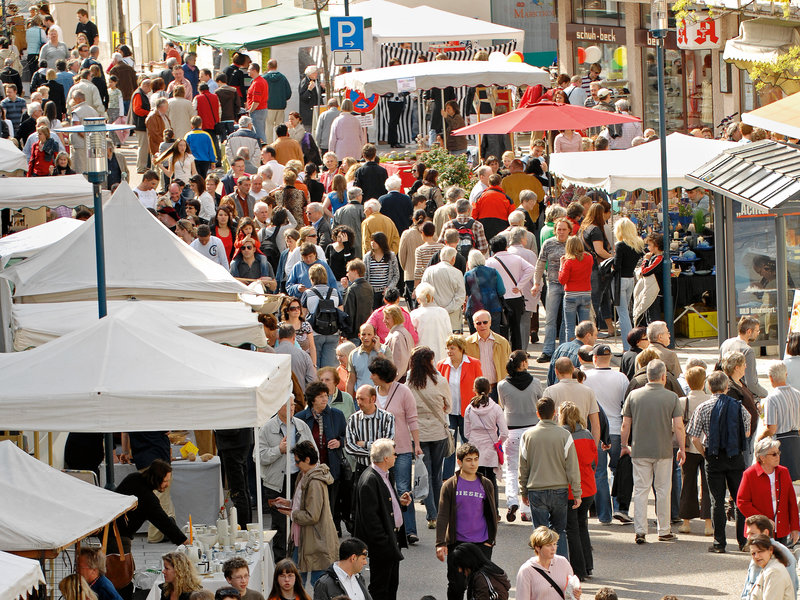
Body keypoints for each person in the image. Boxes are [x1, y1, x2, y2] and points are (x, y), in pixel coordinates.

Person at [686, 370, 751, 553]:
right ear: (726, 386)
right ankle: (743, 540)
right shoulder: (739, 407)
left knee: (717, 500)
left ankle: (719, 543)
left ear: (709, 387)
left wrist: (704, 453)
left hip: (713, 457)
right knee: (739, 500)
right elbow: (746, 432)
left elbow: (695, 437)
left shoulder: (703, 408)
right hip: (735, 457)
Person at [621, 359, 684, 545]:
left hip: (639, 449)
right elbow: (678, 427)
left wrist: (624, 445)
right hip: (663, 449)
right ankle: (664, 529)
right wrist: (681, 448)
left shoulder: (634, 396)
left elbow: (626, 424)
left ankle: (640, 530)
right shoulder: (671, 397)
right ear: (664, 376)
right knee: (663, 489)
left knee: (641, 490)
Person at [519, 397, 582, 557]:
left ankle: (542, 569)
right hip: (559, 488)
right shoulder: (564, 435)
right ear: (554, 413)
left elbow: (523, 466)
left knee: (540, 533)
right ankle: (560, 569)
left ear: (537, 414)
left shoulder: (528, 435)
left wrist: (523, 491)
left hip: (536, 489)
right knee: (559, 532)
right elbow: (572, 466)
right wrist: (576, 492)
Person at [435, 442, 499, 600]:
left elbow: (492, 513)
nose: (473, 463)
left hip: (481, 543)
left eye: (476, 459)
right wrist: (440, 543)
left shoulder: (486, 484)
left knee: (478, 586)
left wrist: (490, 540)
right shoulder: (450, 485)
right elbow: (442, 514)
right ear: (459, 461)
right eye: (469, 460)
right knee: (457, 585)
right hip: (458, 544)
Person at [368, 357, 421, 541]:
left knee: (403, 488)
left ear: (381, 375)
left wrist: (417, 445)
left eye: (373, 373)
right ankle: (391, 528)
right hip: (381, 452)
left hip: (402, 448)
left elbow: (413, 419)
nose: (371, 376)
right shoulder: (372, 392)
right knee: (383, 489)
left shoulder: (403, 391)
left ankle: (410, 530)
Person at [353, 438, 411, 600]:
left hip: (391, 543)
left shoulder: (385, 475)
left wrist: (400, 503)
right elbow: (370, 519)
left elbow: (384, 503)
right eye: (394, 454)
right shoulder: (369, 480)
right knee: (380, 589)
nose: (396, 456)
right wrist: (385, 544)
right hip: (383, 547)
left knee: (391, 587)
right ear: (386, 458)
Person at [258, 398, 314, 561]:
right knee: (280, 524)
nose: (292, 407)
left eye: (293, 404)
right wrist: (278, 450)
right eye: (287, 404)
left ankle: (298, 558)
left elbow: (313, 451)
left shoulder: (301, 425)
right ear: (277, 407)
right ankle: (281, 563)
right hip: (276, 482)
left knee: (301, 520)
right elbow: (258, 456)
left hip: (299, 479)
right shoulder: (267, 428)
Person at [278, 441, 338, 585]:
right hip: (305, 539)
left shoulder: (315, 481)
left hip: (315, 542)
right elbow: (304, 502)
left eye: (298, 461)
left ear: (307, 460)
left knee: (313, 584)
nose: (296, 464)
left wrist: (291, 513)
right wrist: (289, 503)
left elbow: (312, 515)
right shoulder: (304, 475)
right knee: (297, 581)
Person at [498, 350, 541, 523]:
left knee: (512, 469)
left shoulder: (502, 385)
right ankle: (527, 509)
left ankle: (512, 501)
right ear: (523, 363)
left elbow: (503, 404)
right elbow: (542, 402)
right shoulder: (536, 383)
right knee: (530, 470)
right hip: (533, 430)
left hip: (512, 431)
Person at [112, 459, 187, 553]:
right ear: (156, 479)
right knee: (121, 565)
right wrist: (185, 541)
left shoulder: (133, 477)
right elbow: (164, 522)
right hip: (118, 536)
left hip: (111, 528)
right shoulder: (148, 498)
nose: (167, 484)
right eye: (165, 481)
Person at [738, 437, 800, 546]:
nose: (778, 456)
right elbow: (742, 502)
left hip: (781, 529)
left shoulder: (784, 472)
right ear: (762, 457)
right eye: (774, 454)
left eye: (778, 453)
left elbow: (792, 502)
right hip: (759, 530)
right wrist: (763, 520)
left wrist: (795, 528)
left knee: (780, 562)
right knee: (760, 561)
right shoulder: (749, 474)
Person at [559, 401, 597, 580]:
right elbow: (594, 460)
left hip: (571, 489)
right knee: (582, 526)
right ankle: (588, 566)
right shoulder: (587, 434)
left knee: (571, 529)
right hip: (588, 486)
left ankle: (579, 570)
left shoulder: (563, 436)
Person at [676, 366, 713, 535]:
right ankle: (708, 523)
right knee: (708, 485)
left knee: (688, 483)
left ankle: (686, 522)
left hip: (688, 447)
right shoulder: (711, 399)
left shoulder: (683, 401)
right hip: (707, 447)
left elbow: (674, 426)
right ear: (704, 381)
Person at [465, 376, 508, 508]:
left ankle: (478, 509)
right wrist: (498, 442)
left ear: (474, 390)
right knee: (491, 481)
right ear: (490, 389)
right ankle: (494, 510)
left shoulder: (470, 408)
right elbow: (504, 432)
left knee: (475, 480)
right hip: (491, 447)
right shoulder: (495, 408)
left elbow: (466, 432)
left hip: (474, 447)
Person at [759, 362, 800, 479]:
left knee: (781, 480)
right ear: (786, 375)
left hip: (780, 442)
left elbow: (771, 429)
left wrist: (759, 439)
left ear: (770, 378)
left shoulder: (772, 398)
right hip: (796, 440)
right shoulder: (798, 394)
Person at [742, 515, 799, 599]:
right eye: (748, 534)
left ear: (765, 532)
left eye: (752, 534)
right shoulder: (760, 552)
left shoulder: (774, 568)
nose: (749, 538)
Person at [515, 526, 578, 600]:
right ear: (537, 547)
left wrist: (576, 593)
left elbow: (571, 593)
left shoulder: (563, 562)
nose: (553, 548)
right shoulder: (526, 571)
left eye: (555, 544)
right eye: (548, 545)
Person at [721, 316, 770, 399]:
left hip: (726, 390)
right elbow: (751, 383)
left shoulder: (726, 343)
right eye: (757, 330)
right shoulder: (747, 350)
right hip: (742, 394)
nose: (758, 333)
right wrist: (766, 394)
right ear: (749, 331)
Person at [421, 246, 466, 332]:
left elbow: (423, 291)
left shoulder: (429, 271)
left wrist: (435, 307)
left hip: (432, 316)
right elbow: (460, 296)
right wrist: (447, 309)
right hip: (452, 319)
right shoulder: (457, 273)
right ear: (453, 259)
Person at [410, 283, 452, 363]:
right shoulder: (443, 312)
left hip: (421, 353)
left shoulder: (414, 314)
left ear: (418, 300)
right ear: (432, 297)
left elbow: (412, 336)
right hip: (441, 352)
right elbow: (449, 333)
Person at [746, 534, 794, 600]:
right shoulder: (768, 567)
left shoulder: (774, 572)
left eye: (760, 551)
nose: (756, 556)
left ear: (770, 550)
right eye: (753, 553)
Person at [471, 174, 514, 242]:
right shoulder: (506, 198)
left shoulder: (480, 197)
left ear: (489, 183)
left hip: (483, 226)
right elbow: (512, 215)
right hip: (501, 226)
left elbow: (474, 213)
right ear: (500, 183)